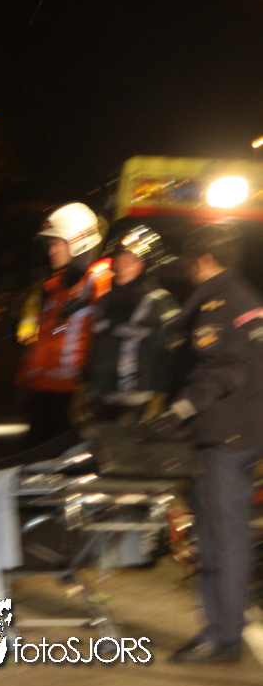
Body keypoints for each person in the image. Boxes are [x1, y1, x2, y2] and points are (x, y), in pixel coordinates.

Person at [141, 223, 263, 663]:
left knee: (219, 539)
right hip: (246, 432)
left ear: (205, 260)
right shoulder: (247, 297)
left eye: (190, 261)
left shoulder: (218, 303)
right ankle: (227, 626)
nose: (188, 269)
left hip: (224, 437)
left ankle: (221, 636)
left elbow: (223, 370)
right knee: (229, 534)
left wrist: (179, 410)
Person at [15, 202, 112, 447]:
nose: (51, 251)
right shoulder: (55, 289)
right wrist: (27, 379)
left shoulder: (97, 285)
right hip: (44, 394)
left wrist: (87, 388)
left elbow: (102, 343)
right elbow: (45, 341)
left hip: (71, 398)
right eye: (49, 244)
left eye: (56, 243)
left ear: (78, 242)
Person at [84, 226, 181, 424]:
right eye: (118, 259)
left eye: (129, 260)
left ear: (144, 264)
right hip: (103, 403)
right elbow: (94, 349)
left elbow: (172, 357)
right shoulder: (105, 303)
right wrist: (83, 388)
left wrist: (159, 398)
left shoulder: (160, 303)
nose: (121, 265)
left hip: (140, 406)